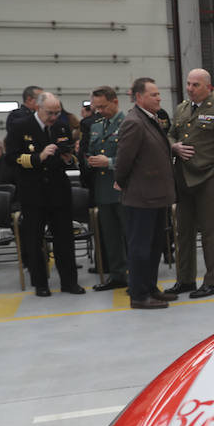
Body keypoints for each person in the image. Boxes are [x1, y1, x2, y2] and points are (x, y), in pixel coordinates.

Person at [167, 68, 214, 299]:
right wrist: (173, 146)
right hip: (183, 178)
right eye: (188, 84)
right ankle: (185, 279)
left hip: (208, 179)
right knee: (183, 231)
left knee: (210, 232)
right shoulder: (181, 109)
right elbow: (170, 134)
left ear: (208, 87)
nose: (190, 88)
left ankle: (213, 282)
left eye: (195, 85)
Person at [6, 91, 84, 297]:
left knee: (65, 239)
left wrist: (68, 157)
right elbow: (12, 158)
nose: (54, 116)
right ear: (38, 108)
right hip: (33, 191)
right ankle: (41, 283)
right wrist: (38, 157)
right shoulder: (20, 127)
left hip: (58, 190)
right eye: (50, 112)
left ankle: (69, 282)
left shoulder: (61, 125)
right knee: (34, 239)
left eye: (57, 112)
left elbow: (67, 155)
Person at [116, 77, 178, 309]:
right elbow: (123, 161)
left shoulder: (149, 119)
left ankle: (151, 287)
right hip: (141, 196)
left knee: (154, 246)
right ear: (139, 97)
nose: (159, 97)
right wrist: (122, 182)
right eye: (153, 94)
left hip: (155, 195)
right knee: (140, 248)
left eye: (158, 94)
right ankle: (139, 295)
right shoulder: (134, 122)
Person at [82, 86, 128, 291]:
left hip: (123, 189)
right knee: (110, 236)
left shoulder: (128, 124)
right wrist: (88, 160)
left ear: (115, 102)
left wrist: (108, 162)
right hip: (103, 190)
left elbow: (135, 159)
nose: (99, 111)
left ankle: (135, 276)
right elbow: (90, 151)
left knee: (129, 236)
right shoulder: (97, 126)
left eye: (102, 106)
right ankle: (117, 275)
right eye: (96, 107)